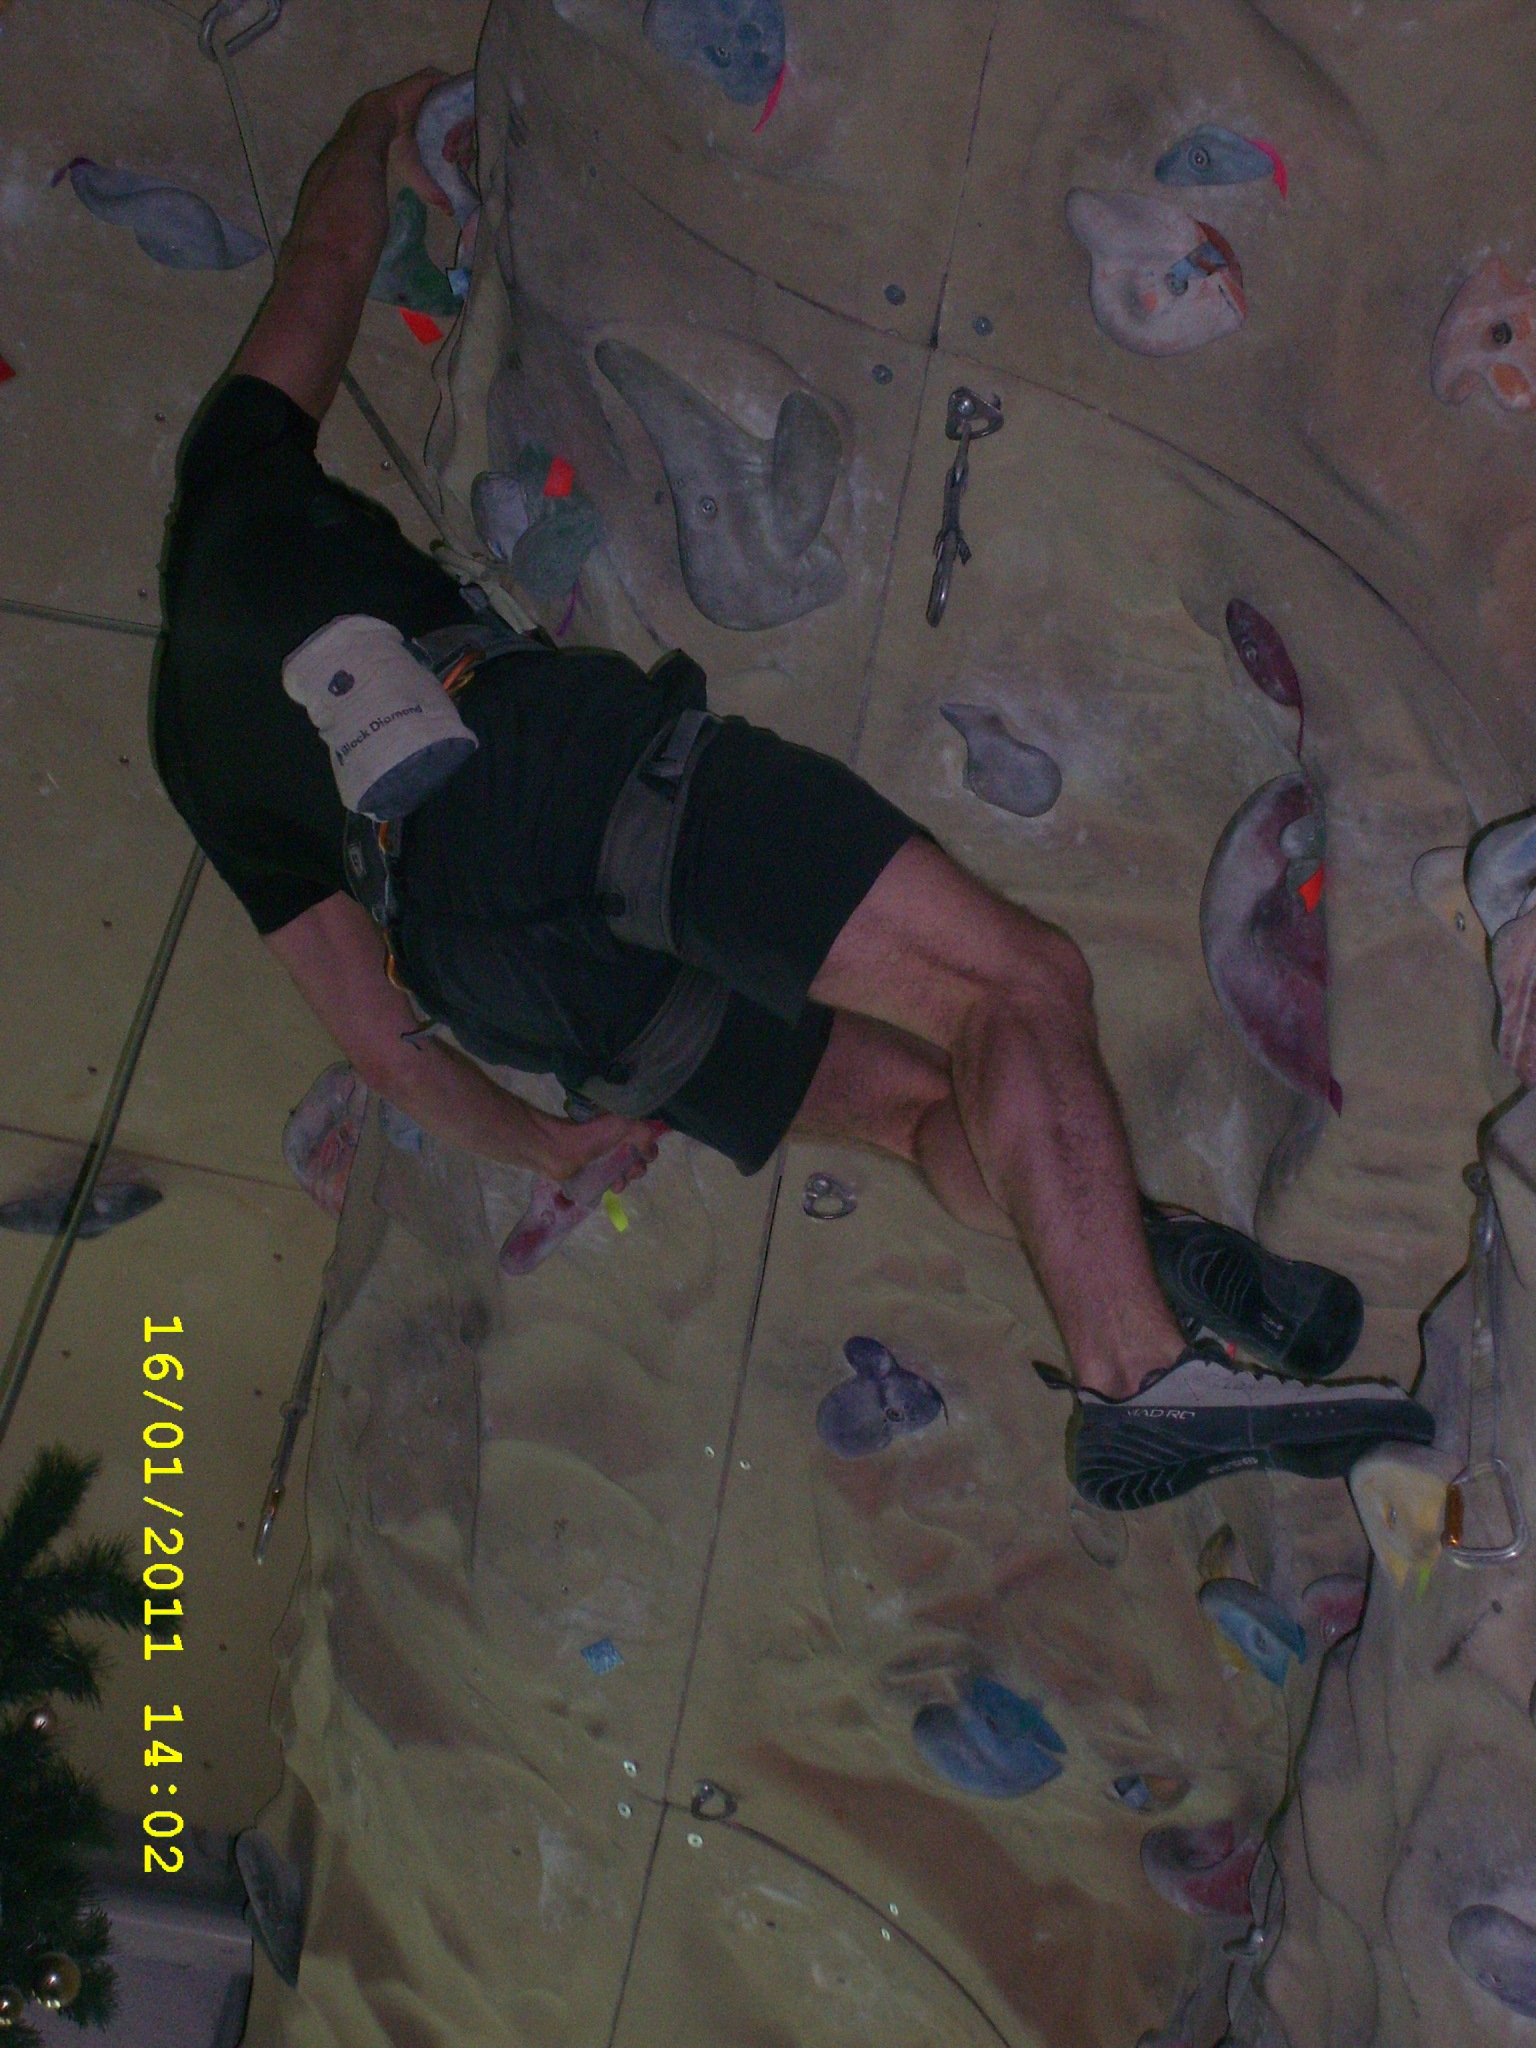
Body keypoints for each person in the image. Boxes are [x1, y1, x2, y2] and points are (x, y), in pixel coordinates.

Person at [150, 72, 1434, 1513]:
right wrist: (362, 127)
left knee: (916, 1114)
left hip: (495, 978)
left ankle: (1133, 1246)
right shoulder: (232, 481)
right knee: (1014, 985)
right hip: (539, 776)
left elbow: (384, 1049)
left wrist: (551, 1143)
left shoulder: (192, 765)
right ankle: (1139, 1380)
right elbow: (323, 266)